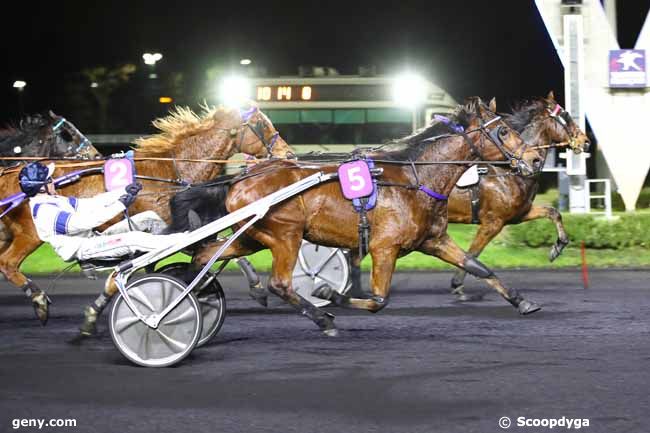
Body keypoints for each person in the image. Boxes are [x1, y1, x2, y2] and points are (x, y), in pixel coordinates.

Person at [18, 161, 185, 324]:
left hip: (93, 239)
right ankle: (180, 240)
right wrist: (121, 204)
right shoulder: (45, 211)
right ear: (41, 187)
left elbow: (91, 203)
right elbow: (86, 221)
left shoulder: (53, 200)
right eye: (49, 179)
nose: (53, 181)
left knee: (148, 218)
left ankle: (184, 242)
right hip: (84, 249)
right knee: (133, 239)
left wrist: (123, 191)